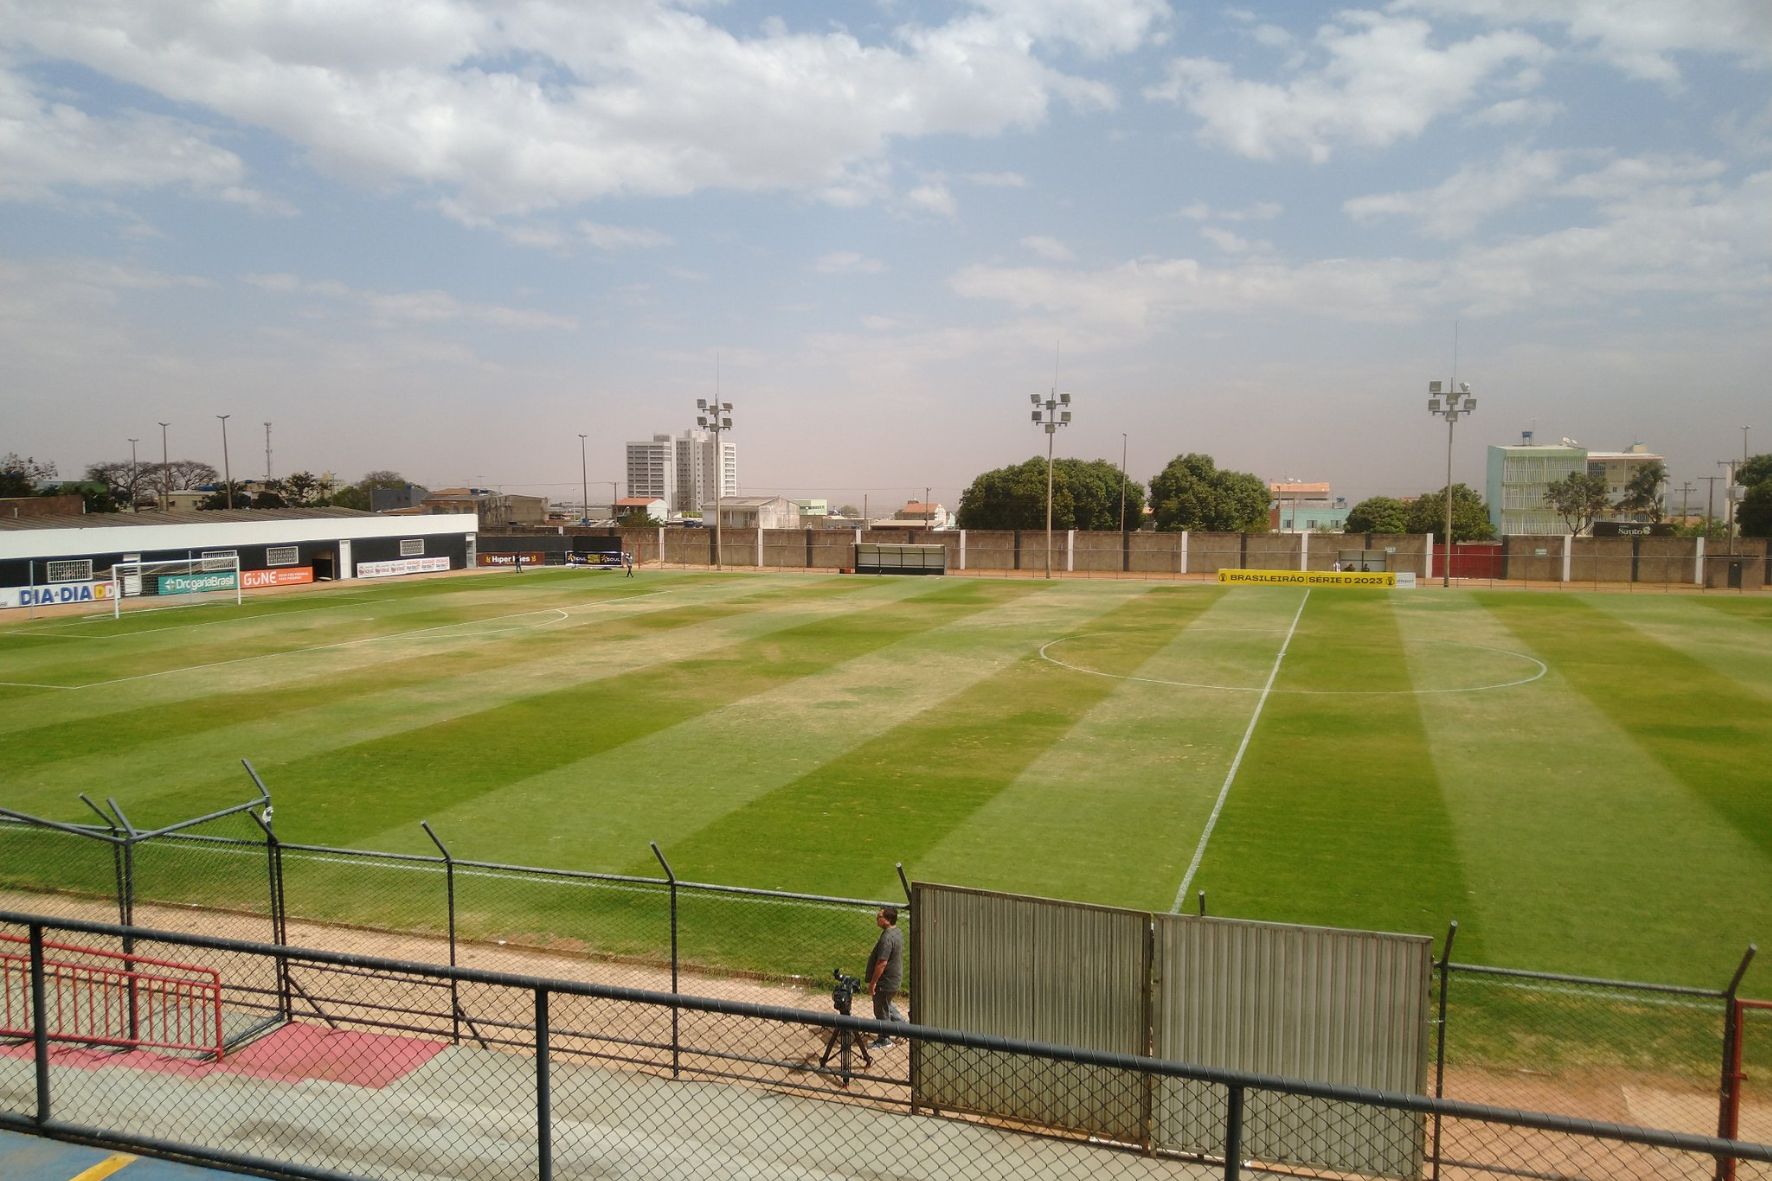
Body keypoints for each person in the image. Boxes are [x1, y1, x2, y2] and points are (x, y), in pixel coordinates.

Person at [865, 906, 906, 1046]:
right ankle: (905, 1029)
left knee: (881, 1010)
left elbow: (882, 963)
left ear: (887, 920)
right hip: (894, 978)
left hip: (886, 981)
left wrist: (873, 983)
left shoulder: (887, 938)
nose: (877, 919)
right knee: (886, 1004)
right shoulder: (897, 932)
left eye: (880, 917)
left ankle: (884, 1039)